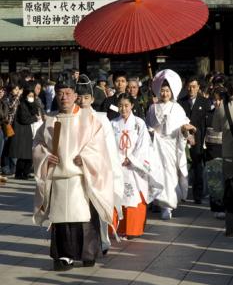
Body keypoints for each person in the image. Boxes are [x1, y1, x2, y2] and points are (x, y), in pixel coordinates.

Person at [32, 71, 115, 271]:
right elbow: (38, 144)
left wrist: (85, 157)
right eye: (60, 93)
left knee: (83, 217)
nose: (64, 97)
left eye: (68, 93)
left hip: (80, 177)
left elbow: (98, 146)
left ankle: (88, 253)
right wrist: (45, 155)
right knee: (61, 220)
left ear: (75, 95)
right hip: (59, 177)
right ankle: (63, 256)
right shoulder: (50, 120)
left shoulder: (89, 119)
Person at [76, 74, 124, 254]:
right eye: (79, 97)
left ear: (93, 99)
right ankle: (82, 244)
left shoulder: (102, 119)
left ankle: (103, 240)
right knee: (80, 208)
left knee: (99, 204)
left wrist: (110, 170)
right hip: (77, 168)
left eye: (86, 98)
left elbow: (109, 148)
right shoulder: (70, 118)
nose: (82, 101)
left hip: (99, 167)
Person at [111, 92, 164, 239]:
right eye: (120, 105)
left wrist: (132, 159)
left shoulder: (139, 123)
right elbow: (109, 145)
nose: (123, 109)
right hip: (118, 165)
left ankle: (133, 230)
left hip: (135, 167)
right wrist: (119, 159)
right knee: (118, 197)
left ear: (132, 106)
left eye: (126, 105)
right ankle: (118, 229)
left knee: (134, 197)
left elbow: (143, 145)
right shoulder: (113, 124)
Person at [147, 69, 195, 220]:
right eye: (162, 90)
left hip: (171, 145)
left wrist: (185, 130)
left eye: (167, 91)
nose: (165, 94)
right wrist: (151, 132)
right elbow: (147, 126)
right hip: (156, 145)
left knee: (169, 174)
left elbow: (182, 127)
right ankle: (159, 202)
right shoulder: (152, 108)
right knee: (156, 173)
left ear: (172, 91)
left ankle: (168, 205)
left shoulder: (177, 108)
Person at [179, 75, 211, 204]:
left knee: (198, 166)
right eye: (189, 87)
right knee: (183, 166)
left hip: (198, 138)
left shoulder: (204, 102)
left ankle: (198, 195)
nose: (191, 89)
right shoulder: (181, 102)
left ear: (198, 87)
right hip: (183, 137)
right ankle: (182, 193)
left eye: (194, 87)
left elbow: (206, 122)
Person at [212, 76, 233, 236]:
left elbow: (216, 128)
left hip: (228, 155)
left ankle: (230, 228)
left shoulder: (222, 108)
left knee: (229, 191)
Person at [205, 87, 226, 219]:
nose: (217, 103)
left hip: (226, 148)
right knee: (214, 179)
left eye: (220, 100)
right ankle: (217, 206)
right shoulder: (209, 113)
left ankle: (226, 206)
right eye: (216, 99)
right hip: (212, 149)